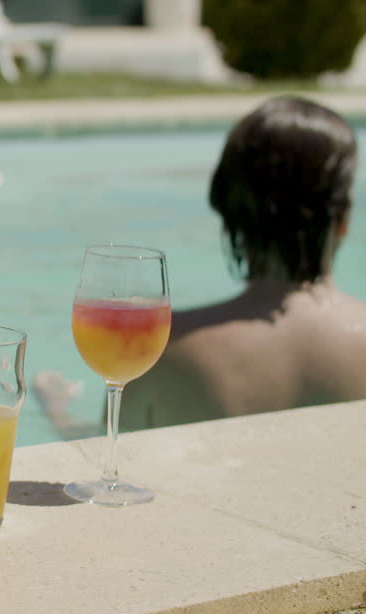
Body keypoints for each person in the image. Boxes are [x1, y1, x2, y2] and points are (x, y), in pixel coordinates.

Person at [36, 95, 366, 436]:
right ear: (342, 220)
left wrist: (56, 412)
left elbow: (106, 453)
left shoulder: (163, 351)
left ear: (228, 215)